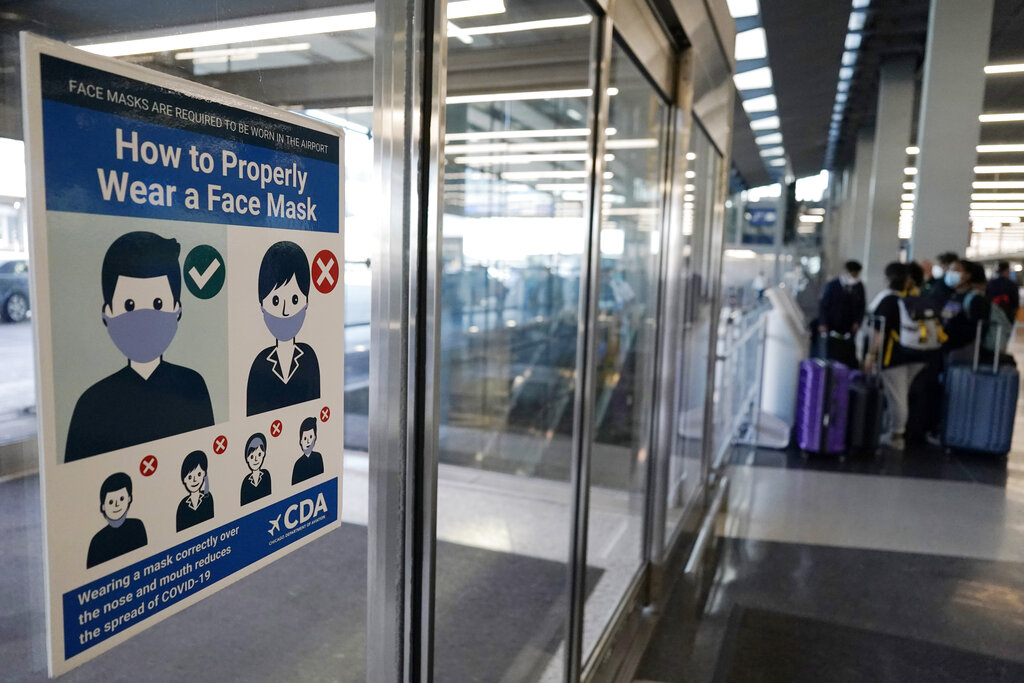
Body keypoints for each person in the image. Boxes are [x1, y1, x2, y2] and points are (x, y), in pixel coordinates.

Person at [65, 232, 215, 462]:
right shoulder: (92, 405)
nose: (144, 319)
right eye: (129, 305)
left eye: (158, 304)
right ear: (108, 313)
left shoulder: (193, 386)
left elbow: (208, 465)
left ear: (177, 309)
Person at [247, 241, 321, 416]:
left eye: (295, 300)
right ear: (262, 306)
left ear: (306, 303)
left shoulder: (309, 357)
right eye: (275, 301)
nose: (285, 311)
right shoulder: (260, 363)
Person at [867, 263, 928, 451]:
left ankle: (896, 436)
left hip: (893, 357)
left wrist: (871, 355)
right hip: (917, 354)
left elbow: (879, 333)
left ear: (888, 279)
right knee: (901, 395)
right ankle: (894, 430)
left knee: (897, 398)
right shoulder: (913, 298)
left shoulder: (888, 301)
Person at [87, 472, 148, 568]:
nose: (116, 505)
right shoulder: (97, 541)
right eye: (111, 502)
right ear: (103, 506)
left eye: (121, 498)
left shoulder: (137, 526)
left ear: (129, 499)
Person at [815, 260, 866, 367]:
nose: (854, 277)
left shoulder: (859, 286)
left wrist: (858, 322)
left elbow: (862, 306)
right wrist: (823, 323)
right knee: (831, 350)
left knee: (848, 351)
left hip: (849, 326)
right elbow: (824, 305)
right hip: (833, 324)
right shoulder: (832, 286)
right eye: (853, 274)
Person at [176, 450, 214, 532]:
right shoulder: (182, 506)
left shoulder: (208, 498)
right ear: (184, 480)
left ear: (204, 475)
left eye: (199, 474)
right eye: (189, 477)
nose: (194, 480)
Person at [240, 432, 272, 506]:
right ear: (247, 459)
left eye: (259, 454)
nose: (255, 459)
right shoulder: (246, 482)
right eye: (251, 456)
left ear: (264, 454)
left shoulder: (266, 475)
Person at [291, 417, 324, 485]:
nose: (308, 441)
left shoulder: (318, 457)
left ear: (315, 438)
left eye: (311, 437)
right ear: (300, 441)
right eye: (305, 438)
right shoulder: (298, 464)